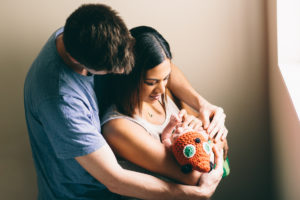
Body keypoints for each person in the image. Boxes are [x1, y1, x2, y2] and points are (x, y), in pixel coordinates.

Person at [24, 4, 224, 200]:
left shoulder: (83, 32)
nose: (125, 74)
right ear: (82, 64)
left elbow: (159, 64)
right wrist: (196, 194)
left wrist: (202, 105)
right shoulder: (62, 102)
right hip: (83, 193)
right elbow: (115, 179)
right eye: (114, 71)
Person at [100, 25, 228, 195]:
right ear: (127, 76)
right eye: (151, 82)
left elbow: (223, 144)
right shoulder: (118, 128)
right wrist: (208, 134)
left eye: (166, 78)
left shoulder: (162, 91)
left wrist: (199, 126)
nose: (161, 90)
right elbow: (194, 175)